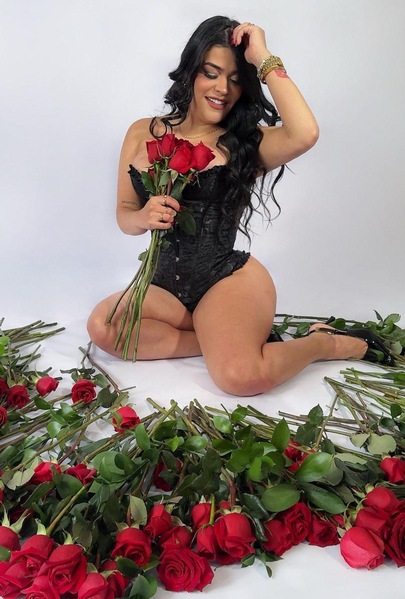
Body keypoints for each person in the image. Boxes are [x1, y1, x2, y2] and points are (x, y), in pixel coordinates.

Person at [87, 16, 369, 396]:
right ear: (191, 71)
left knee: (239, 377)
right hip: (164, 286)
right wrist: (142, 216)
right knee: (103, 327)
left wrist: (263, 57)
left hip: (225, 279)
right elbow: (124, 212)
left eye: (235, 79)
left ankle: (323, 343)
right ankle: (214, 339)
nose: (223, 88)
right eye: (211, 73)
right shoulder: (142, 131)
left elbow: (306, 133)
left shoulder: (245, 143)